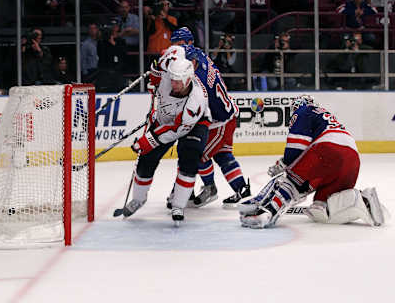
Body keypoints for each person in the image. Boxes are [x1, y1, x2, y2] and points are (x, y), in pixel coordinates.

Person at [239, 95, 387, 228]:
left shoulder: (303, 110)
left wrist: (283, 165)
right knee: (320, 208)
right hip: (353, 159)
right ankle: (362, 198)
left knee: (291, 182)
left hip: (328, 150)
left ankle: (265, 214)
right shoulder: (325, 115)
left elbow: (296, 147)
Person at [151, 28, 250, 209]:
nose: (176, 49)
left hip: (218, 122)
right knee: (222, 154)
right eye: (173, 45)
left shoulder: (194, 77)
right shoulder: (199, 55)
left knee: (197, 155)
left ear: (189, 44)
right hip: (226, 117)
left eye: (179, 45)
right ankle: (242, 189)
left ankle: (208, 189)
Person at [121, 50, 211, 224]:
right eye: (172, 79)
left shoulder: (196, 101)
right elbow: (167, 56)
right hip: (165, 119)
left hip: (193, 126)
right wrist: (154, 77)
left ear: (187, 80)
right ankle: (138, 199)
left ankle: (178, 205)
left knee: (190, 158)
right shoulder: (168, 74)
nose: (174, 84)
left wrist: (148, 141)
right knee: (146, 158)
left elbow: (176, 130)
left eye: (178, 81)